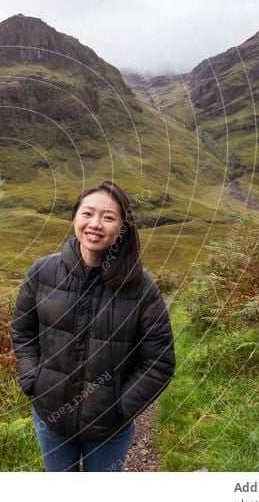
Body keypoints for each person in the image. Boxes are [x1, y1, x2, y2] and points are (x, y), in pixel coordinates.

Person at [10, 180, 175, 472]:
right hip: (51, 417)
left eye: (109, 217)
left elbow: (159, 361)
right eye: (88, 213)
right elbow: (22, 330)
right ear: (75, 216)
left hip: (108, 429)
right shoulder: (42, 272)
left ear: (123, 227)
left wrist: (120, 409)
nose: (95, 224)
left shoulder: (141, 287)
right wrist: (33, 381)